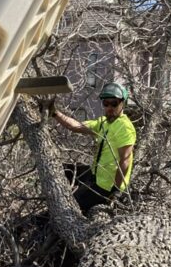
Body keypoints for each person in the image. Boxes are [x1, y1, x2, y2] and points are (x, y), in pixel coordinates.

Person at [48, 82, 136, 212]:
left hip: (106, 186)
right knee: (64, 169)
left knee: (71, 206)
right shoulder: (104, 123)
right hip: (96, 174)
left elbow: (125, 160)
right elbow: (76, 126)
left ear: (123, 103)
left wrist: (116, 191)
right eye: (106, 103)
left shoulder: (125, 127)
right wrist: (54, 112)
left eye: (114, 103)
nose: (109, 107)